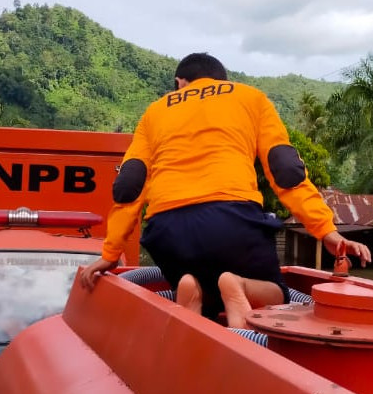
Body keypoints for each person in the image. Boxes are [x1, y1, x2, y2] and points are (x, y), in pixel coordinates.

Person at [80, 52, 371, 328]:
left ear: (180, 81)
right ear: (224, 81)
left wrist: (110, 252)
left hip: (167, 230)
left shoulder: (155, 111)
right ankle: (239, 288)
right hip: (232, 221)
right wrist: (326, 232)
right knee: (277, 295)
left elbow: (130, 183)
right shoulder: (250, 98)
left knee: (196, 284)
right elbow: (284, 169)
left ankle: (191, 289)